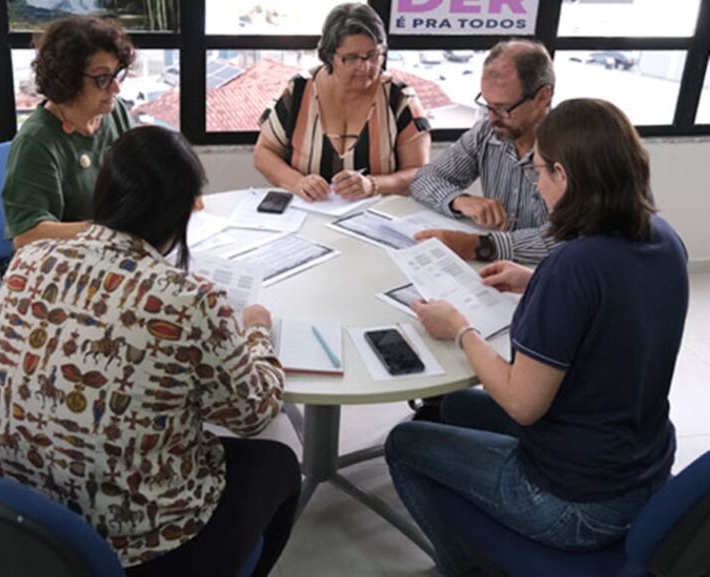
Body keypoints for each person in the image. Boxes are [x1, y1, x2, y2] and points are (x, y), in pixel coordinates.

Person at [385, 99, 689, 576]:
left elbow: (522, 404)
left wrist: (460, 330)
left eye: (542, 170)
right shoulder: (663, 238)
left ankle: (465, 568)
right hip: (641, 468)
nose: (536, 182)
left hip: (576, 503)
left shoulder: (574, 267)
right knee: (459, 407)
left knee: (405, 442)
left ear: (565, 176)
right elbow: (613, 308)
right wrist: (533, 279)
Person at [0, 125, 301, 577]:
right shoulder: (191, 299)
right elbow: (253, 413)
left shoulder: (27, 262)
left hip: (26, 523)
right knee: (280, 460)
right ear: (179, 214)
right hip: (140, 546)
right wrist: (257, 334)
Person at [254, 2, 431, 202]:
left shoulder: (400, 98)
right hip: (306, 213)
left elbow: (419, 172)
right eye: (352, 58)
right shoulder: (299, 90)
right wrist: (298, 182)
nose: (365, 67)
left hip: (377, 217)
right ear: (329, 55)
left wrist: (373, 185)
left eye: (373, 56)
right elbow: (264, 153)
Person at [410, 39, 557, 265]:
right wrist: (460, 201)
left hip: (551, 276)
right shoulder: (488, 133)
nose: (491, 118)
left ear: (543, 97)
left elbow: (569, 238)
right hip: (495, 272)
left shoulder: (575, 149)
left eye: (503, 108)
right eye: (487, 105)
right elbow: (424, 179)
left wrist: (483, 246)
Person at [2, 15, 135, 250]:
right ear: (68, 78)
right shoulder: (36, 142)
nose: (116, 87)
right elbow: (27, 235)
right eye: (103, 78)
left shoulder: (114, 112)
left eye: (117, 74)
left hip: (107, 252)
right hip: (62, 265)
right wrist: (108, 231)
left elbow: (138, 173)